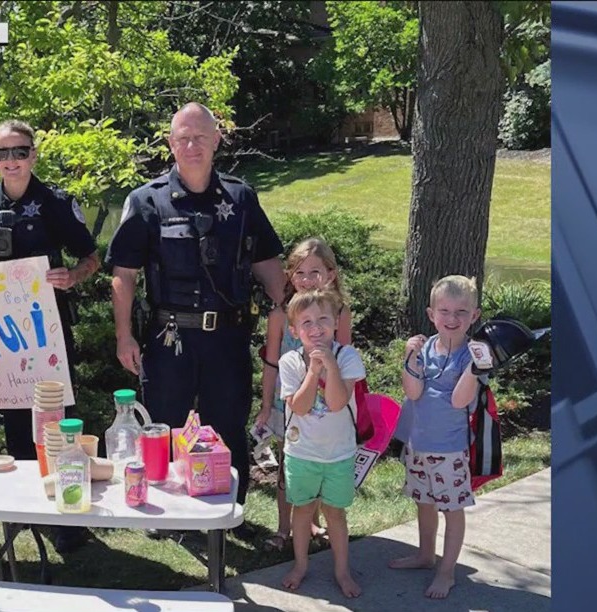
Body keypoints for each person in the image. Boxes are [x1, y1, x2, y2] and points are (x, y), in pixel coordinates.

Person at [107, 102, 287, 512]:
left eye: (200, 137)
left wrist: (288, 316)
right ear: (171, 143)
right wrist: (124, 335)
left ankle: (229, 511)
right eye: (183, 138)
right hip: (169, 338)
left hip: (228, 336)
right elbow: (124, 274)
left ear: (216, 140)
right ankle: (167, 512)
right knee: (164, 429)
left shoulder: (241, 198)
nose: (192, 145)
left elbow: (267, 264)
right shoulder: (147, 200)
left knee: (227, 426)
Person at [0, 119, 100, 553]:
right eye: (2, 153)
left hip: (47, 335)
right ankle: (25, 513)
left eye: (19, 151)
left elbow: (91, 257)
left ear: (33, 154)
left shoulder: (56, 203)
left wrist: (72, 276)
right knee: (14, 426)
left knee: (59, 424)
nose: (11, 160)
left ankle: (69, 517)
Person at [389, 275, 483, 599]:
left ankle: (447, 572)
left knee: (451, 510)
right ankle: (425, 554)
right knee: (424, 502)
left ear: (475, 316)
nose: (452, 318)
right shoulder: (426, 347)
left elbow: (459, 401)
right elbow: (413, 391)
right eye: (444, 310)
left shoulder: (472, 356)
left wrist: (476, 368)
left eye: (461, 312)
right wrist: (409, 358)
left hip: (449, 451)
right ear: (431, 314)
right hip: (419, 446)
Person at [255, 237, 352, 552]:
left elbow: (345, 357)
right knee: (289, 465)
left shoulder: (340, 313)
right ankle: (285, 530)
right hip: (292, 406)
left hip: (330, 407)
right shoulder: (280, 315)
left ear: (331, 274)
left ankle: (315, 523)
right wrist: (266, 404)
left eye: (315, 272)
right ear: (288, 276)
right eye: (299, 272)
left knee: (325, 464)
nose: (307, 280)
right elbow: (271, 362)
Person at [277, 288, 365, 598]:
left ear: (336, 323)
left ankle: (342, 571)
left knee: (336, 514)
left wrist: (331, 367)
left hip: (339, 454)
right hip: (301, 454)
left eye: (323, 320)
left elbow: (338, 403)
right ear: (294, 331)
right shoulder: (289, 362)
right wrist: (313, 371)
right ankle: (301, 565)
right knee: (301, 511)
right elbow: (299, 407)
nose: (316, 329)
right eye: (307, 323)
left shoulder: (348, 356)